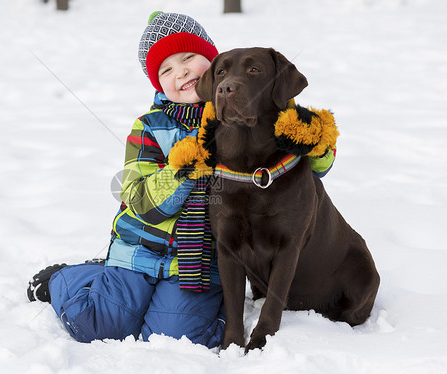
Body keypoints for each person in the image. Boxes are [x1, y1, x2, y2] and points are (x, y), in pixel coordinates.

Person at [27, 11, 336, 349]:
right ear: (158, 83)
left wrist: (315, 142)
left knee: (179, 338)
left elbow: (309, 170)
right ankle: (66, 278)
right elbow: (137, 197)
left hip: (197, 266)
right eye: (167, 69)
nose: (182, 71)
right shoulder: (149, 127)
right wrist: (183, 168)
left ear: (215, 64)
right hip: (138, 252)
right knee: (96, 322)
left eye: (190, 57)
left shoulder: (247, 119)